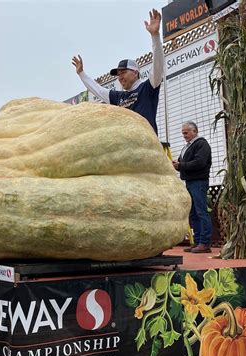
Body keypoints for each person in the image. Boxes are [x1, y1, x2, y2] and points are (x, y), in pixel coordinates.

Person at [72, 9, 164, 134]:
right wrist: (81, 73)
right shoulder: (118, 97)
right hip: (128, 146)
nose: (120, 77)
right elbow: (97, 90)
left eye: (123, 73)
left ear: (135, 72)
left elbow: (158, 65)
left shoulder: (148, 88)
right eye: (118, 74)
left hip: (147, 146)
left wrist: (155, 36)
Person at [172, 121, 212, 253]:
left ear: (194, 131)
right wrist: (177, 164)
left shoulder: (201, 144)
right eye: (183, 133)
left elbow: (199, 163)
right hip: (189, 182)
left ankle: (205, 243)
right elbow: (184, 163)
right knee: (194, 213)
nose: (184, 135)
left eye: (186, 132)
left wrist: (181, 165)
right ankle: (198, 241)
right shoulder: (187, 147)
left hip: (198, 182)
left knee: (201, 212)